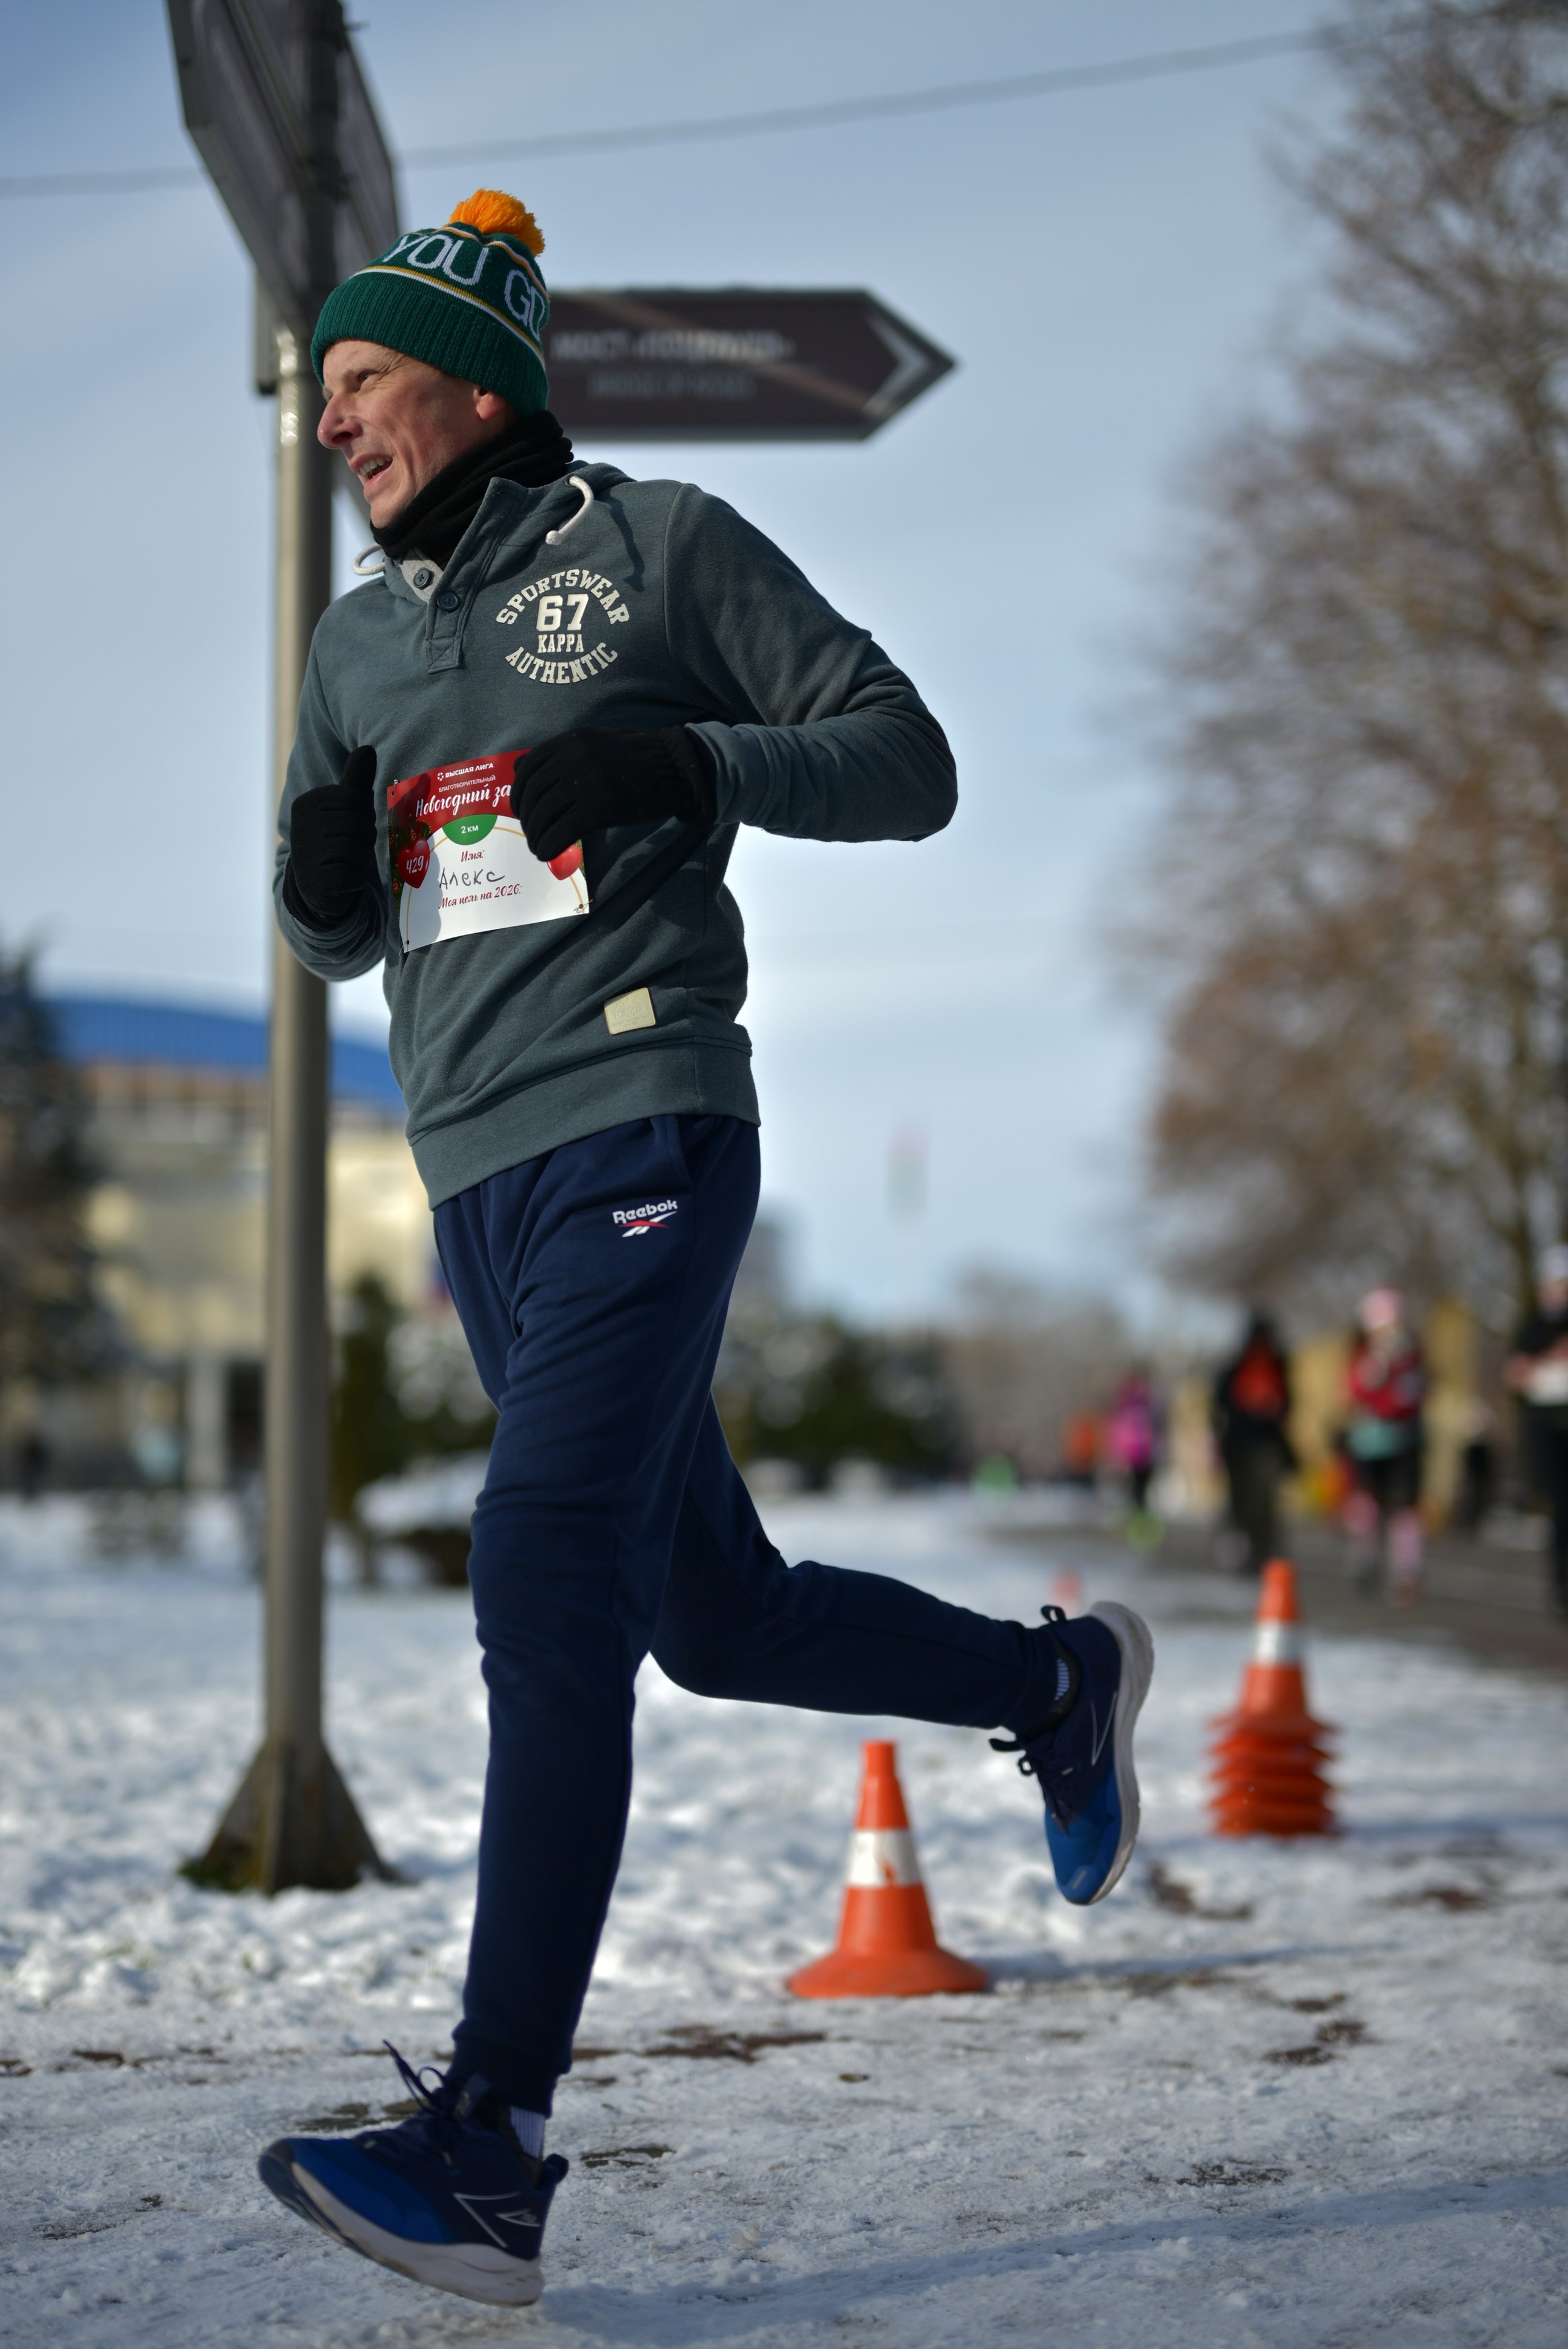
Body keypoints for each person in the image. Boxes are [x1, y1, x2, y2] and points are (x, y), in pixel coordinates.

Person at [254, 190, 1155, 2309]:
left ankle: (489, 2139)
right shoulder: (354, 642)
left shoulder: (659, 550)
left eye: (363, 386)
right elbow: (329, 932)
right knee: (709, 1613)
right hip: (478, 1177)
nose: (335, 429)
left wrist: (672, 754)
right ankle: (1053, 1680)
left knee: (543, 1555)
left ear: (471, 379)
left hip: (648, 1113)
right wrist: (311, 874)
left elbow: (905, 759)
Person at [1341, 1286, 1427, 1602]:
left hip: (1403, 1441)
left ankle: (1408, 1568)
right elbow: (1354, 1391)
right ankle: (1365, 1558)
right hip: (1368, 1443)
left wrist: (1390, 1391)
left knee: (1404, 1506)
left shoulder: (1410, 1357)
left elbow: (1410, 1396)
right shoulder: (1361, 1358)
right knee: (1367, 1503)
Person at [1504, 1242, 1568, 1617]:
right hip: (1546, 1424)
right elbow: (1514, 1375)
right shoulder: (1531, 1326)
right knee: (1560, 1507)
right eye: (1552, 1285)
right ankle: (1560, 1584)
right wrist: (1542, 1360)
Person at [1212, 1311, 1294, 1574]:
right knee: (1243, 1502)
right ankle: (1246, 1550)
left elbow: (1288, 1405)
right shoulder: (1236, 1370)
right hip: (1241, 1447)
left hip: (1265, 1446)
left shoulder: (1278, 1367)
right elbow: (1219, 1408)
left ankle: (1264, 1551)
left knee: (1263, 1503)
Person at [1106, 1366, 1162, 1544]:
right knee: (1137, 1493)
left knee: (1138, 1493)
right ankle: (1138, 1527)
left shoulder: (1139, 1400)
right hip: (1137, 1453)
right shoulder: (1137, 1400)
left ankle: (1138, 1527)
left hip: (1141, 1453)